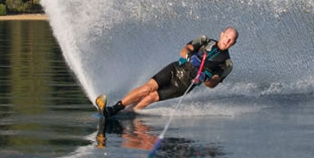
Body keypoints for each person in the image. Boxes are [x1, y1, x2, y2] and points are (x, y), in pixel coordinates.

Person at [96, 26, 238, 117]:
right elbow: (184, 50)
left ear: (234, 43)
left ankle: (128, 114)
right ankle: (114, 109)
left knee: (150, 98)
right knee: (148, 88)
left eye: (231, 40)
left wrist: (205, 77)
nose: (227, 41)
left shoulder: (227, 63)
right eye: (226, 37)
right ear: (221, 34)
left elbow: (213, 83)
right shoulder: (204, 40)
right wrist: (190, 56)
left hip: (184, 84)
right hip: (175, 69)